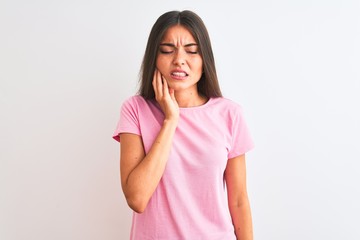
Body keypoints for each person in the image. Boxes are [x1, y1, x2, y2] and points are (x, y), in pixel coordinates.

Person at [113, 10, 254, 240]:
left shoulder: (230, 114)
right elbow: (137, 198)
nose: (179, 59)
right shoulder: (135, 110)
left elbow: (239, 201)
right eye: (168, 50)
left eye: (191, 51)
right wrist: (170, 120)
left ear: (204, 59)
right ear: (154, 58)